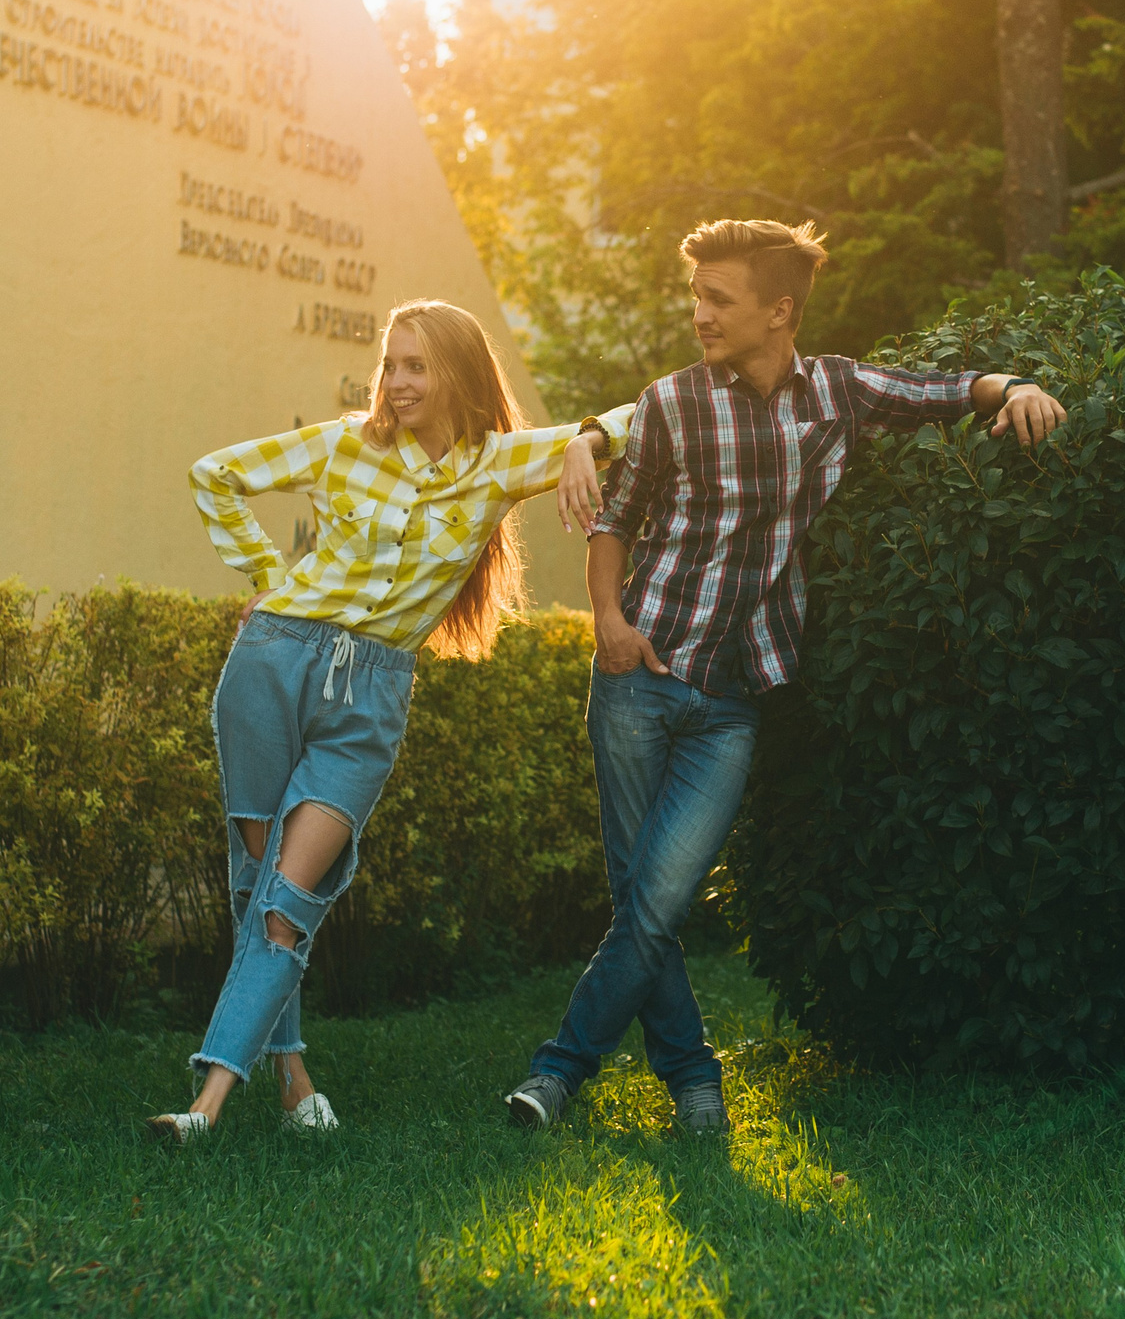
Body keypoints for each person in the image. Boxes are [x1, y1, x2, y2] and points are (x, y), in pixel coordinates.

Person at [505, 219, 1068, 1134]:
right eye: (696, 296)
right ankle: (689, 1085)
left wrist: (1018, 388)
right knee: (645, 903)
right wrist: (609, 623)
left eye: (717, 299)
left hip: (732, 700)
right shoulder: (672, 401)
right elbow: (616, 521)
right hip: (638, 679)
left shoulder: (838, 391)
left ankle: (563, 1070)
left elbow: (943, 390)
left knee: (656, 899)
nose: (699, 314)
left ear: (779, 311)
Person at [148, 299, 628, 1144]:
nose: (397, 383)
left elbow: (639, 420)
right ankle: (273, 1089)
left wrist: (587, 441)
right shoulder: (345, 444)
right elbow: (212, 474)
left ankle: (211, 1101)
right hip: (273, 663)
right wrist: (268, 578)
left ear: (458, 375)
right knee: (259, 889)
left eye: (416, 366)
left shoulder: (495, 465)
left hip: (369, 700)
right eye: (390, 365)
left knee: (286, 901)